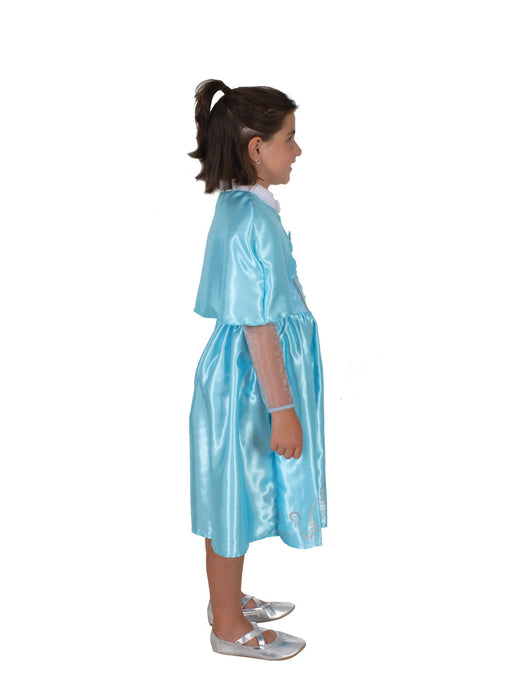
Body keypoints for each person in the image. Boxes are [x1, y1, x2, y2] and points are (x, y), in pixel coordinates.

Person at [189, 79, 326, 660]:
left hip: (247, 379)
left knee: (237, 495)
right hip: (251, 385)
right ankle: (227, 624)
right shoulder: (252, 220)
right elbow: (258, 326)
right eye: (289, 139)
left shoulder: (244, 206)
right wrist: (283, 410)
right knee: (231, 499)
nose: (297, 150)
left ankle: (227, 598)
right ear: (256, 148)